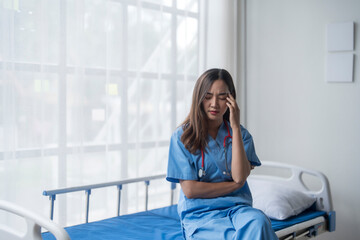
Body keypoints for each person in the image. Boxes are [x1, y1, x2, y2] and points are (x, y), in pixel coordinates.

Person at [166, 69, 278, 240]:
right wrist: (234, 186)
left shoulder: (242, 136)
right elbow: (190, 190)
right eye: (208, 96)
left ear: (231, 98)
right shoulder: (182, 137)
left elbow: (239, 176)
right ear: (199, 98)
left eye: (222, 96)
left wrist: (235, 127)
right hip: (201, 215)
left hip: (239, 210)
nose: (214, 104)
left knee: (259, 222)